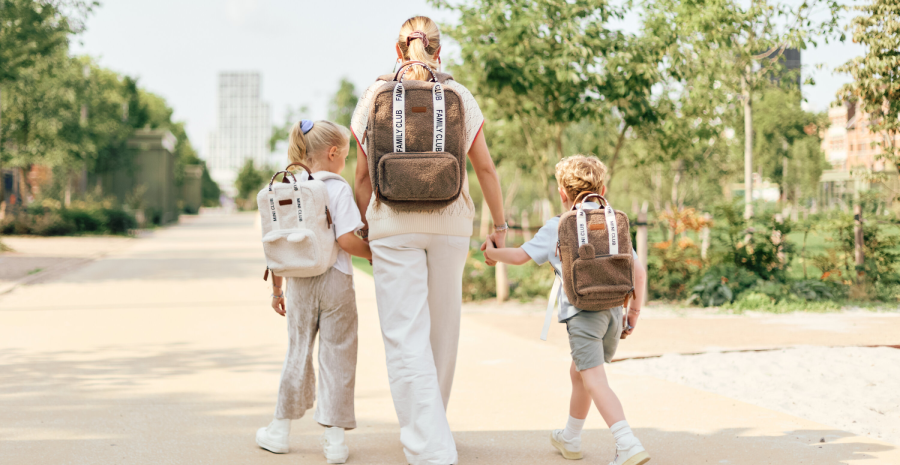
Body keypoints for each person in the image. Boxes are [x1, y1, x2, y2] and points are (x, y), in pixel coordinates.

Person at [351, 15, 507, 465]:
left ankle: (430, 445)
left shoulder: (374, 96)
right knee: (442, 331)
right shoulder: (459, 96)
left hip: (393, 225)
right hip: (451, 222)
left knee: (405, 336)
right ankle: (433, 428)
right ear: (439, 51)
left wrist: (370, 227)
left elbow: (362, 177)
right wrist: (499, 226)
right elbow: (486, 170)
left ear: (398, 50)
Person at [482, 155, 651, 465]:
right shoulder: (614, 224)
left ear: (562, 193)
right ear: (603, 188)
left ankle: (627, 442)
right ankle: (570, 438)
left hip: (583, 315)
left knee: (594, 380)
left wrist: (493, 253)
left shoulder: (559, 226)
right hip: (614, 313)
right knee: (580, 374)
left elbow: (520, 256)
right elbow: (638, 273)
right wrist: (634, 313)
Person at [256, 119, 371, 465]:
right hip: (335, 279)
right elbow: (347, 240)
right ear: (333, 153)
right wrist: (377, 255)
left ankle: (279, 431)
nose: (345, 164)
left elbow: (277, 246)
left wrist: (277, 290)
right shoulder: (336, 188)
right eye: (345, 157)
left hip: (299, 283)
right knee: (338, 354)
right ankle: (334, 441)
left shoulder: (287, 187)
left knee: (298, 351)